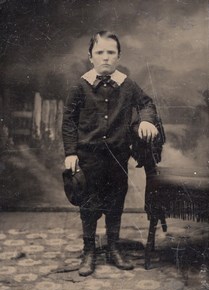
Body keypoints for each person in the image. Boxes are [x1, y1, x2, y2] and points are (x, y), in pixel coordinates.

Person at [62, 31, 158, 276]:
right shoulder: (80, 86)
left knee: (115, 202)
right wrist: (71, 152)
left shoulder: (128, 85)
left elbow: (147, 104)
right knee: (89, 203)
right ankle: (89, 250)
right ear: (90, 57)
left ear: (118, 56)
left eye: (111, 52)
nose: (105, 58)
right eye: (99, 52)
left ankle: (114, 247)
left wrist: (147, 121)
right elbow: (69, 121)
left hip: (117, 157)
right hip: (89, 158)